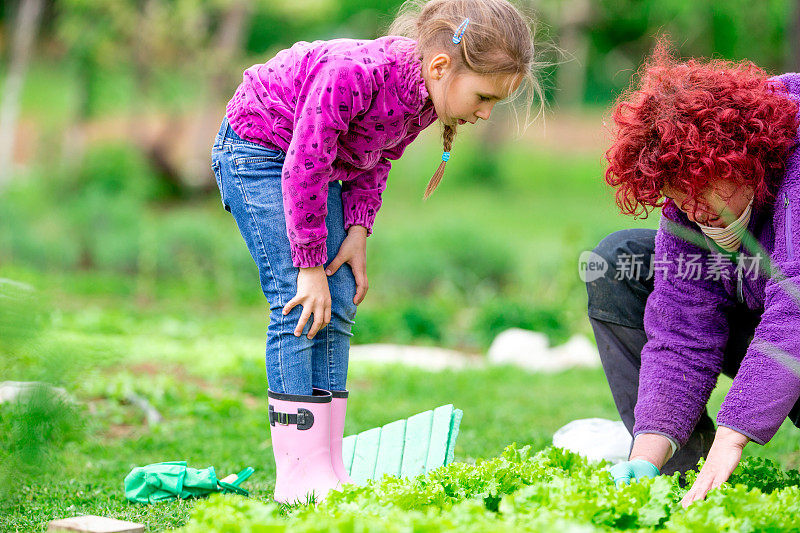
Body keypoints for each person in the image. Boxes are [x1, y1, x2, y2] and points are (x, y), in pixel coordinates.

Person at [211, 0, 540, 503]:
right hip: (260, 149)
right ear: (441, 67)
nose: (486, 112)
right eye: (484, 97)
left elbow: (373, 156)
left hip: (318, 169)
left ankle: (325, 463)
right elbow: (305, 164)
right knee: (297, 301)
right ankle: (297, 475)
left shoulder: (424, 99)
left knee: (339, 297)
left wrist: (359, 230)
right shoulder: (355, 75)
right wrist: (308, 264)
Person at [586, 40, 800, 507]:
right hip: (771, 326)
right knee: (619, 257)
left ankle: (718, 457)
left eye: (704, 190)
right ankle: (684, 475)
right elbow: (682, 331)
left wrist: (735, 432)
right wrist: (647, 454)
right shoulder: (689, 206)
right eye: (679, 197)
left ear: (745, 160)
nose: (696, 209)